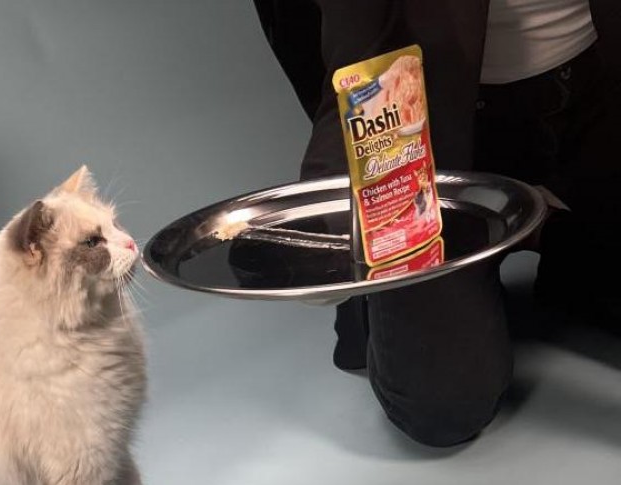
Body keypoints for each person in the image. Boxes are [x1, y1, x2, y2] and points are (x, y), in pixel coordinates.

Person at [252, 0, 621, 447]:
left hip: (596, 96)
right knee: (443, 404)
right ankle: (493, 243)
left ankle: (547, 231)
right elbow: (360, 53)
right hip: (431, 121)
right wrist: (326, 223)